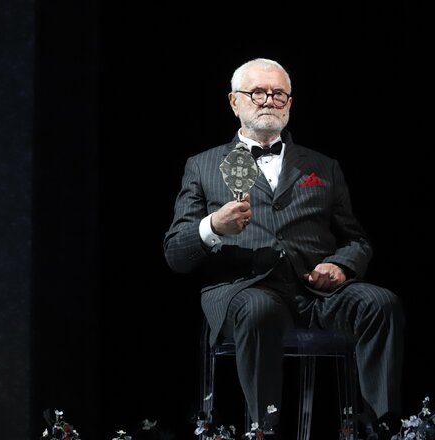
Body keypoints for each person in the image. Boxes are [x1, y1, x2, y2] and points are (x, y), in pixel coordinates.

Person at [162, 58, 404, 439]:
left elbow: (356, 240)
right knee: (259, 310)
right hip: (244, 289)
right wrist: (214, 226)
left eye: (278, 94)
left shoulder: (323, 166)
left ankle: (383, 428)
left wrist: (341, 266)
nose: (268, 101)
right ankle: (264, 431)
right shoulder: (203, 166)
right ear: (234, 102)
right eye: (257, 93)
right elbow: (176, 253)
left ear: (289, 104)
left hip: (315, 292)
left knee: (380, 303)